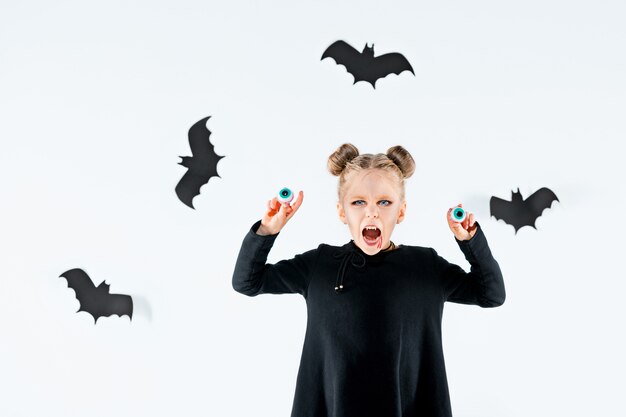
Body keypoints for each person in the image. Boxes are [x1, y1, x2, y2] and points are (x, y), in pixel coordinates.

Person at [232, 143, 505, 417]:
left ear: (401, 211)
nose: (371, 212)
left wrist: (469, 241)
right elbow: (247, 282)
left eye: (384, 202)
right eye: (358, 202)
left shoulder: (426, 267)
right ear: (342, 212)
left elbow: (490, 294)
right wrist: (267, 230)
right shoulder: (320, 265)